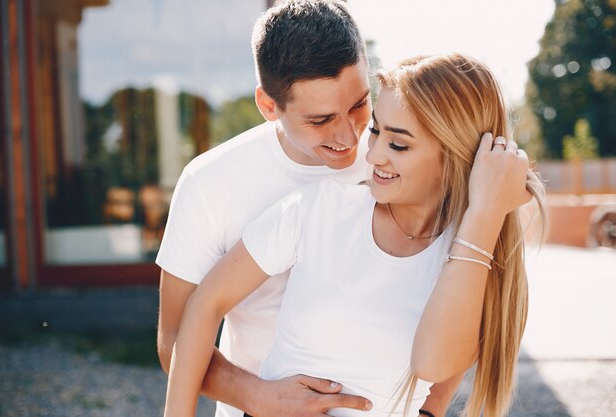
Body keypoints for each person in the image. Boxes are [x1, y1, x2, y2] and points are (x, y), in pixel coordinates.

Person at [162, 53, 547, 417]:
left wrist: (485, 211)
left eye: (397, 144)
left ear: (456, 154)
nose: (372, 153)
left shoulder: (472, 256)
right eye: (376, 131)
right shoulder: (318, 207)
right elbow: (202, 306)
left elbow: (434, 364)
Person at [156, 1, 461, 417]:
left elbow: (465, 284)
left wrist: (431, 409)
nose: (348, 136)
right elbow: (173, 338)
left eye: (358, 105)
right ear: (268, 106)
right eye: (319, 120)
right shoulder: (209, 183)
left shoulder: (400, 162)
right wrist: (258, 396)